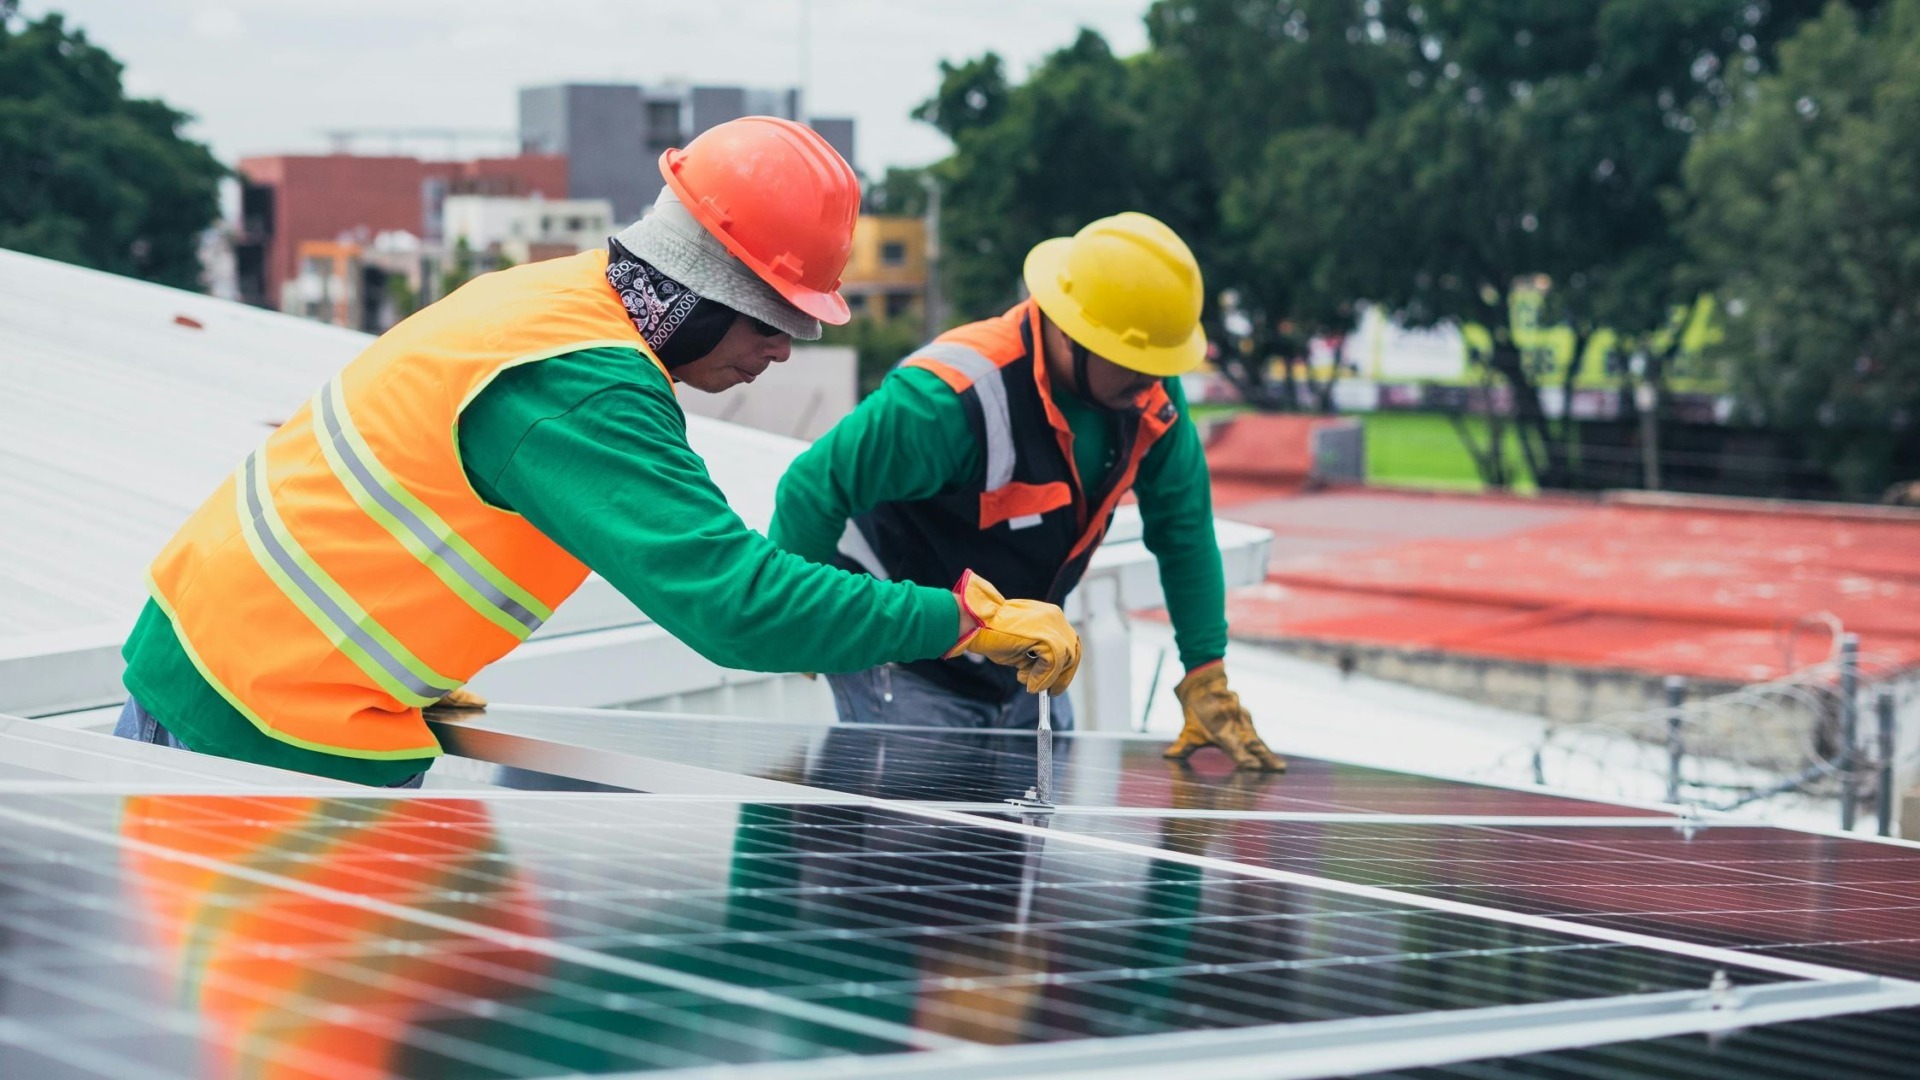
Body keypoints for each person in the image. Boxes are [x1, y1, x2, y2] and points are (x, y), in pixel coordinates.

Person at [114, 117, 1080, 786]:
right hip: (256, 715)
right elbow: (734, 608)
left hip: (247, 669)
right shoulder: (584, 385)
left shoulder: (557, 299)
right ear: (707, 285)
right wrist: (962, 619)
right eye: (776, 319)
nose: (784, 350)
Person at [769, 212, 1282, 770]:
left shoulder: (1148, 399)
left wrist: (1206, 672)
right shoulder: (948, 399)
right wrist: (803, 625)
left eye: (1160, 366)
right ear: (1070, 332)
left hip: (1024, 663)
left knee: (1023, 841)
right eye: (1136, 364)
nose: (1152, 383)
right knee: (923, 839)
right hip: (907, 661)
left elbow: (1184, 532)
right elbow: (812, 487)